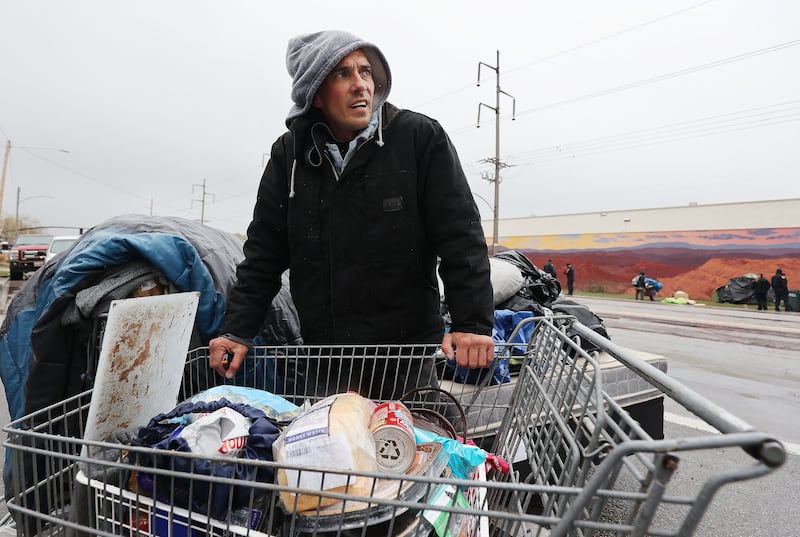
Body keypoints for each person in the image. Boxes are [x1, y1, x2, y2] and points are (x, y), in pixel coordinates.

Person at [208, 30, 495, 395]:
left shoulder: (419, 139)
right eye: (342, 74)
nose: (361, 85)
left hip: (404, 355)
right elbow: (264, 253)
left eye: (365, 72)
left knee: (408, 446)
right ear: (315, 94)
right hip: (327, 354)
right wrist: (237, 329)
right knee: (333, 447)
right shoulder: (289, 156)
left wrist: (471, 323)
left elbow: (460, 236)